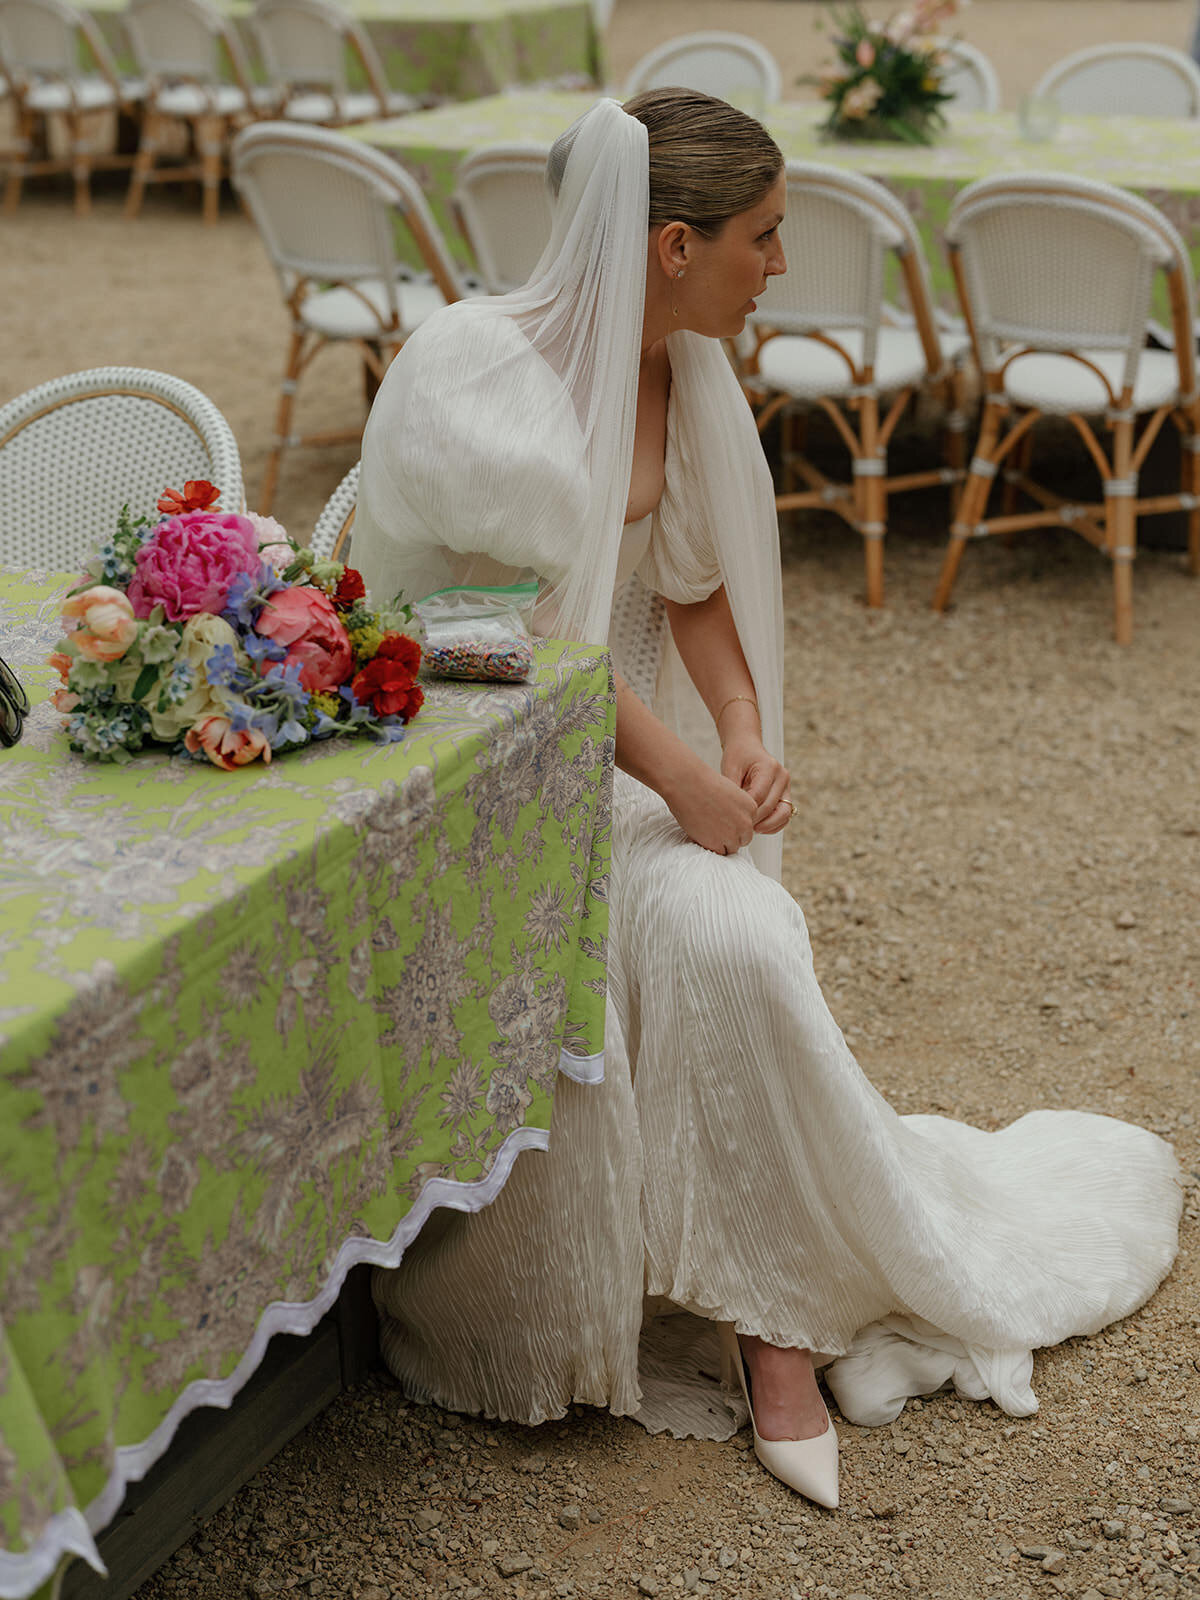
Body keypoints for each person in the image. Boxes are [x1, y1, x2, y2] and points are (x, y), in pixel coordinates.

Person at [352, 90, 1182, 1509]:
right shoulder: (474, 373)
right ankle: (754, 1322)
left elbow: (686, 592)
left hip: (614, 766)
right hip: (474, 783)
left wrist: (734, 731)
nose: (781, 266)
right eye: (765, 236)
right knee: (703, 926)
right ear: (674, 242)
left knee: (734, 936)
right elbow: (509, 649)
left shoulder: (687, 364)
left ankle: (774, 1325)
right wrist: (679, 773)